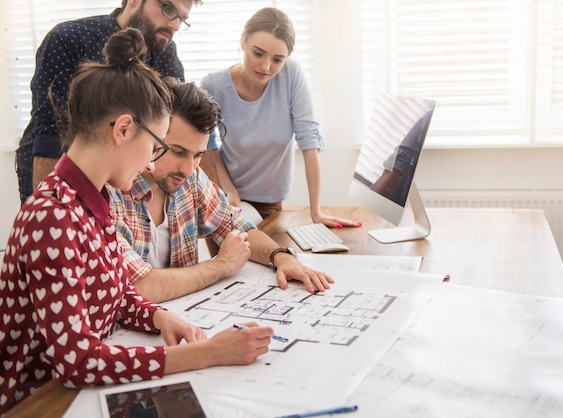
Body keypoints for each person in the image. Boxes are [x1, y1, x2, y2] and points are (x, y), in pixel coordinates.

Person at [0, 29, 274, 415]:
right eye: (157, 147)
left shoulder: (89, 200)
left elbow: (113, 291)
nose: (150, 163)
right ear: (124, 129)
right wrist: (205, 354)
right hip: (45, 403)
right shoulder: (52, 216)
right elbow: (77, 362)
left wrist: (158, 315)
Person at [108, 76, 334, 303]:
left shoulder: (190, 178)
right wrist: (221, 265)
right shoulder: (109, 190)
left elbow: (235, 226)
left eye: (198, 155)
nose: (188, 169)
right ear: (150, 136)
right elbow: (137, 286)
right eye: (178, 151)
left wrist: (280, 257)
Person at [15, 0, 202, 204]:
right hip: (57, 165)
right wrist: (49, 205)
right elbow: (50, 133)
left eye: (182, 19)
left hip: (119, 175)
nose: (174, 25)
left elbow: (182, 122)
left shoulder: (165, 53)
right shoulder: (69, 38)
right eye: (167, 9)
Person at [200, 7, 361, 228]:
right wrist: (227, 188)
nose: (266, 67)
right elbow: (209, 144)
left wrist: (316, 211)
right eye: (258, 53)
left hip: (271, 202)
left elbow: (309, 139)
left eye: (277, 59)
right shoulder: (213, 86)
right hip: (227, 200)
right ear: (243, 42)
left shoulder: (291, 75)